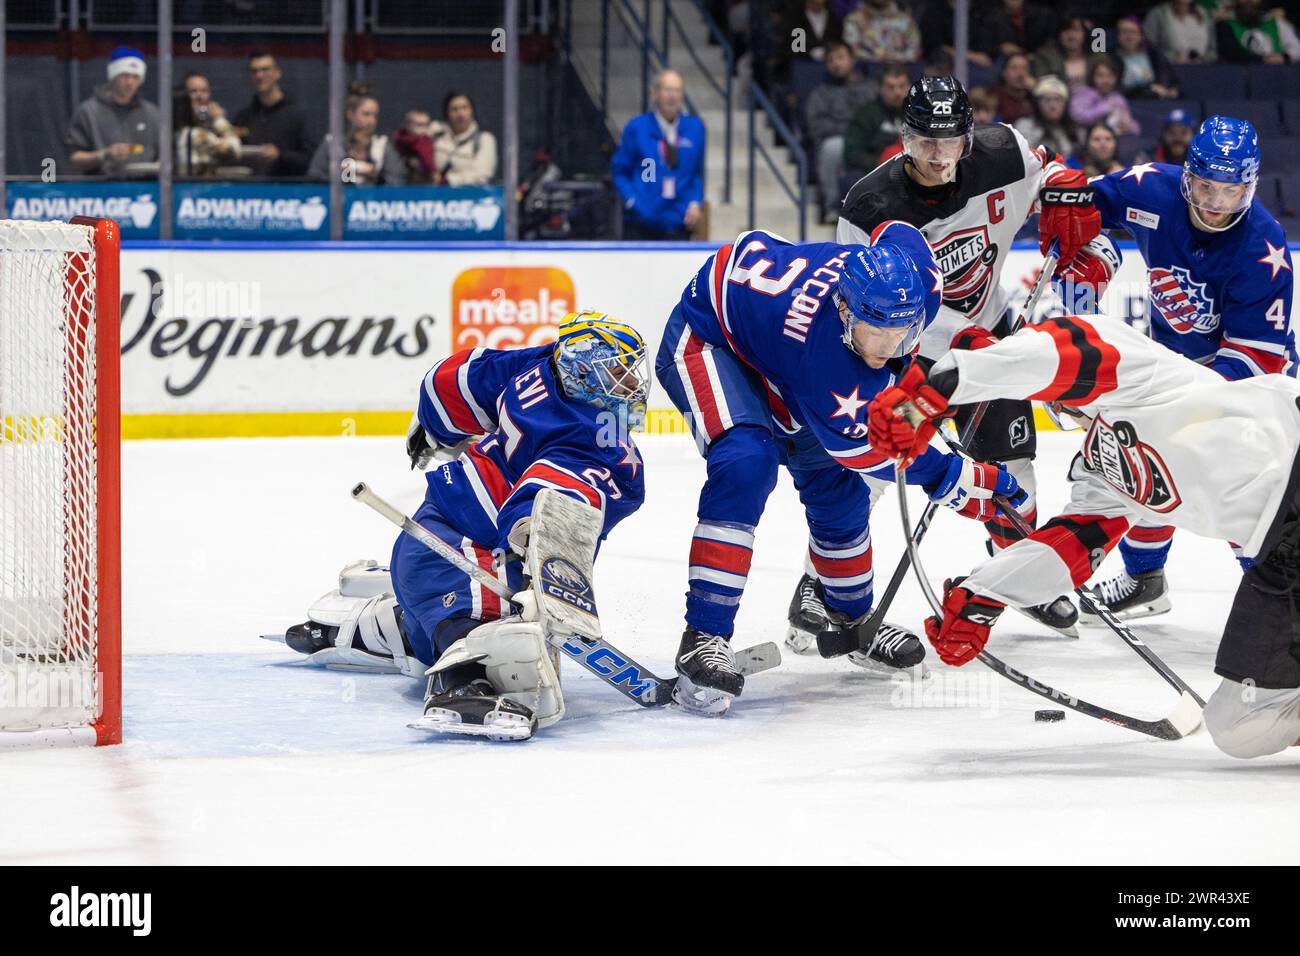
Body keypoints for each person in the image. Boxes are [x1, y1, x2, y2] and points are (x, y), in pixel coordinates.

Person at [867, 309, 1300, 760]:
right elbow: (1075, 543)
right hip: (1280, 558)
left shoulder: (1142, 371)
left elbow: (1059, 348)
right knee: (1238, 726)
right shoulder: (1102, 465)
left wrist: (927, 396)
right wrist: (983, 597)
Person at [654, 224, 1024, 714]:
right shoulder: (826, 362)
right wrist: (957, 479)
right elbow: (872, 449)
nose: (891, 345)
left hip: (776, 343)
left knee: (839, 497)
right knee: (748, 463)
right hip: (711, 339)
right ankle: (703, 637)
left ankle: (850, 621)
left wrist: (956, 352)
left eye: (904, 331)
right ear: (845, 309)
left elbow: (899, 231)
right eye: (878, 331)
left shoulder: (918, 281)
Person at [284, 313, 648, 741]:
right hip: (470, 549)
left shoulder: (536, 365)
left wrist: (432, 425)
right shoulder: (592, 432)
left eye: (630, 371)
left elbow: (455, 381)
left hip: (438, 530)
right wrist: (539, 555)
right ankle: (460, 687)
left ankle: (374, 629)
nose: (631, 385)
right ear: (582, 369)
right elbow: (547, 496)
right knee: (494, 627)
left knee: (439, 612)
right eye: (617, 372)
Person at [828, 75, 1100, 645]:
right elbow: (856, 304)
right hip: (912, 358)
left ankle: (1021, 580)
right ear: (904, 137)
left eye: (947, 141)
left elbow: (1052, 177)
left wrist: (1065, 190)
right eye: (922, 140)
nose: (934, 155)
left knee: (1014, 471)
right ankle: (821, 584)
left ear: (968, 139)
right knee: (871, 471)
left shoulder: (1005, 156)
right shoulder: (870, 205)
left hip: (992, 346)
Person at [1045, 116, 1296, 621]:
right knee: (1144, 464)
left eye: (1229, 191)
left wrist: (1173, 409)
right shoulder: (1153, 190)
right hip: (1175, 362)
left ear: (1248, 187)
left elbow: (1255, 359)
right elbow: (1084, 204)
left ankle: (1282, 604)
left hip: (1251, 386)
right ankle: (1144, 578)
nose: (1214, 203)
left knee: (1231, 486)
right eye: (1205, 186)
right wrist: (1067, 223)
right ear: (1187, 176)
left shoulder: (1263, 249)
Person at [612, 69, 706, 240]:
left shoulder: (695, 129)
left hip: (679, 223)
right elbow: (619, 171)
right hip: (641, 224)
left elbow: (697, 175)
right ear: (654, 94)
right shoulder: (637, 128)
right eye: (667, 90)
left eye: (677, 90)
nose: (672, 96)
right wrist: (633, 201)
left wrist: (695, 201)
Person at [805, 41, 872, 221]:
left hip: (866, 141)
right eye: (831, 60)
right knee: (833, 147)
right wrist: (851, 132)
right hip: (838, 141)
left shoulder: (869, 89)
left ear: (852, 60)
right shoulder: (820, 93)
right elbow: (817, 126)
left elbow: (874, 117)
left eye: (841, 57)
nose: (836, 63)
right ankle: (832, 206)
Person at [67, 46, 160, 176]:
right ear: (113, 76)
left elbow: (164, 155)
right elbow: (74, 158)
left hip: (145, 189)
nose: (130, 82)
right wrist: (104, 154)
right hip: (102, 190)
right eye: (124, 76)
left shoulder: (152, 113)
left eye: (135, 77)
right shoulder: (88, 112)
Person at [232, 52, 315, 178]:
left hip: (288, 190)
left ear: (277, 73)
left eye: (265, 70)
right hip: (250, 190)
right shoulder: (243, 117)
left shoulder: (297, 115)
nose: (259, 75)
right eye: (254, 71)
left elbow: (311, 159)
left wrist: (280, 155)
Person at [309, 93, 406, 185]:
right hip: (338, 199)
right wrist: (350, 170)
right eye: (366, 114)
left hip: (373, 199)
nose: (371, 121)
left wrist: (376, 175)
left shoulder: (381, 144)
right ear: (350, 114)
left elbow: (396, 181)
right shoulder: (332, 142)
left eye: (375, 115)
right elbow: (315, 177)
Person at [842, 62, 909, 175]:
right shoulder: (866, 114)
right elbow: (852, 152)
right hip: (876, 173)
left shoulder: (919, 113)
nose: (897, 92)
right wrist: (881, 162)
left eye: (901, 86)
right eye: (891, 87)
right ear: (880, 88)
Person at [174, 72, 242, 176]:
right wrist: (219, 119)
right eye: (193, 91)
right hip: (194, 189)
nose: (200, 96)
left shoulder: (205, 130)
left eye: (204, 91)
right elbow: (234, 149)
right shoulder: (191, 134)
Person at [431, 91, 498, 185]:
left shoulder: (484, 139)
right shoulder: (435, 134)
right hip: (433, 196)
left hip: (469, 196)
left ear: (472, 111)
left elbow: (482, 174)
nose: (460, 114)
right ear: (447, 113)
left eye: (465, 108)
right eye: (454, 109)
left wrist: (448, 180)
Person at [774, 0, 845, 83]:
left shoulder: (834, 18)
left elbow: (838, 43)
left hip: (830, 73)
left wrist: (828, 52)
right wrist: (810, 53)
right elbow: (787, 49)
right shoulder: (794, 17)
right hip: (801, 71)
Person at [1069, 56, 1140, 135]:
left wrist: (1129, 126)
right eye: (1100, 75)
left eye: (1110, 76)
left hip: (1114, 141)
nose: (1106, 80)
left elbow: (1136, 129)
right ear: (1092, 77)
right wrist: (1105, 108)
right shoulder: (1082, 94)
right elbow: (1078, 116)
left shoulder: (1118, 98)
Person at [1114, 16, 1181, 98]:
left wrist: (1172, 90)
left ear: (1141, 35)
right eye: (1124, 32)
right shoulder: (1110, 57)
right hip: (1126, 102)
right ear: (1118, 36)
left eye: (1133, 32)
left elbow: (1171, 81)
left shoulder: (1154, 55)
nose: (1129, 36)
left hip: (1156, 101)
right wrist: (1148, 88)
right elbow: (1113, 88)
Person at [1014, 75, 1078, 158]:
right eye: (1047, 100)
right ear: (1037, 104)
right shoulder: (1024, 125)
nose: (1053, 106)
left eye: (1058, 100)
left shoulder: (1071, 130)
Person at [1216, 0, 1300, 62]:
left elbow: (1297, 49)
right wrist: (1263, 59)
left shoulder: (1276, 23)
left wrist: (1284, 57)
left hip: (1277, 76)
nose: (1249, 1)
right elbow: (1231, 53)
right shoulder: (1225, 24)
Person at [975, 0, 1059, 61]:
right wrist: (999, 49)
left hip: (1036, 60)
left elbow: (1048, 41)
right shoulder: (991, 19)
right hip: (1004, 63)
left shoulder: (1042, 15)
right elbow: (984, 49)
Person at [842, 0, 922, 64]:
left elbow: (914, 51)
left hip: (902, 71)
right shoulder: (854, 20)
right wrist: (875, 58)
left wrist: (891, 57)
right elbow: (853, 51)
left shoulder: (905, 19)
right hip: (867, 71)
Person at [1143, 0, 1218, 63]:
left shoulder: (1204, 13)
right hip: (1170, 69)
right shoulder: (1157, 14)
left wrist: (1202, 59)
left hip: (1202, 70)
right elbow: (1148, 47)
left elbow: (1213, 51)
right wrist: (1174, 58)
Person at [1032, 16, 1093, 93]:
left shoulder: (1097, 58)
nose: (1071, 35)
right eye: (1066, 30)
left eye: (1076, 30)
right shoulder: (1045, 58)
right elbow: (1043, 88)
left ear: (1084, 33)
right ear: (1059, 34)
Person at [991, 52, 1038, 125]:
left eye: (1024, 68)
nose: (1020, 74)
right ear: (1004, 73)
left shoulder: (1034, 95)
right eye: (1014, 68)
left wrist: (1037, 91)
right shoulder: (994, 96)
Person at [393, 109, 435, 185]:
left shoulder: (427, 142)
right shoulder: (399, 142)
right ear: (408, 126)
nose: (423, 129)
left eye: (426, 125)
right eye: (419, 125)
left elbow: (429, 164)